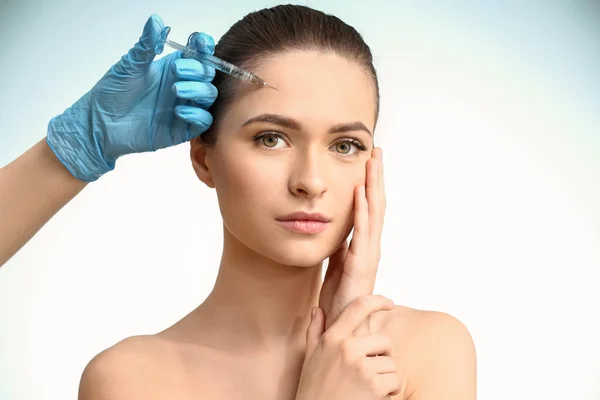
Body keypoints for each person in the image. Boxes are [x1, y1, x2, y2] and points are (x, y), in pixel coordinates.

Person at [1, 6, 476, 400]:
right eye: (271, 138)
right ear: (204, 159)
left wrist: (347, 333)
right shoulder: (132, 381)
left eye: (345, 145)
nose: (310, 181)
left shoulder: (428, 350)